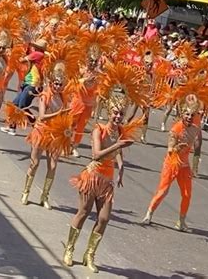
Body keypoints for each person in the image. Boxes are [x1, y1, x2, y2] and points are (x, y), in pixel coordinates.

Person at [62, 61, 147, 273]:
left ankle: (89, 254)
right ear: (109, 112)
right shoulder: (98, 130)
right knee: (83, 213)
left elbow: (116, 154)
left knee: (104, 218)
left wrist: (121, 168)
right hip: (93, 175)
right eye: (115, 113)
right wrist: (119, 145)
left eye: (120, 114)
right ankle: (70, 249)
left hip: (107, 180)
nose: (117, 117)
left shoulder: (119, 132)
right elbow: (97, 155)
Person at [141, 95, 201, 231]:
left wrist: (195, 165)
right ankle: (149, 213)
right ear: (182, 114)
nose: (190, 117)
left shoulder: (196, 127)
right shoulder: (176, 129)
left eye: (192, 115)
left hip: (184, 166)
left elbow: (198, 145)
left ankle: (181, 221)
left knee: (187, 194)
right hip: (171, 163)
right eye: (187, 114)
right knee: (163, 191)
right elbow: (169, 150)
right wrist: (176, 149)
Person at [22, 59, 73, 209]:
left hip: (55, 135)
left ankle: (44, 196)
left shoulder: (63, 98)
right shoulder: (45, 95)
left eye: (60, 84)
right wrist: (59, 113)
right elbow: (42, 116)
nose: (57, 86)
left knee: (53, 166)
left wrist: (67, 128)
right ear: (51, 82)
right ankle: (26, 191)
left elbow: (65, 117)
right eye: (55, 83)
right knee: (35, 163)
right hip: (41, 131)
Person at [0, 38, 47, 136]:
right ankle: (12, 127)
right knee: (16, 105)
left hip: (32, 84)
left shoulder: (37, 54)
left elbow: (22, 60)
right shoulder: (41, 56)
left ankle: (37, 126)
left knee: (22, 106)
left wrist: (15, 54)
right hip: (30, 83)